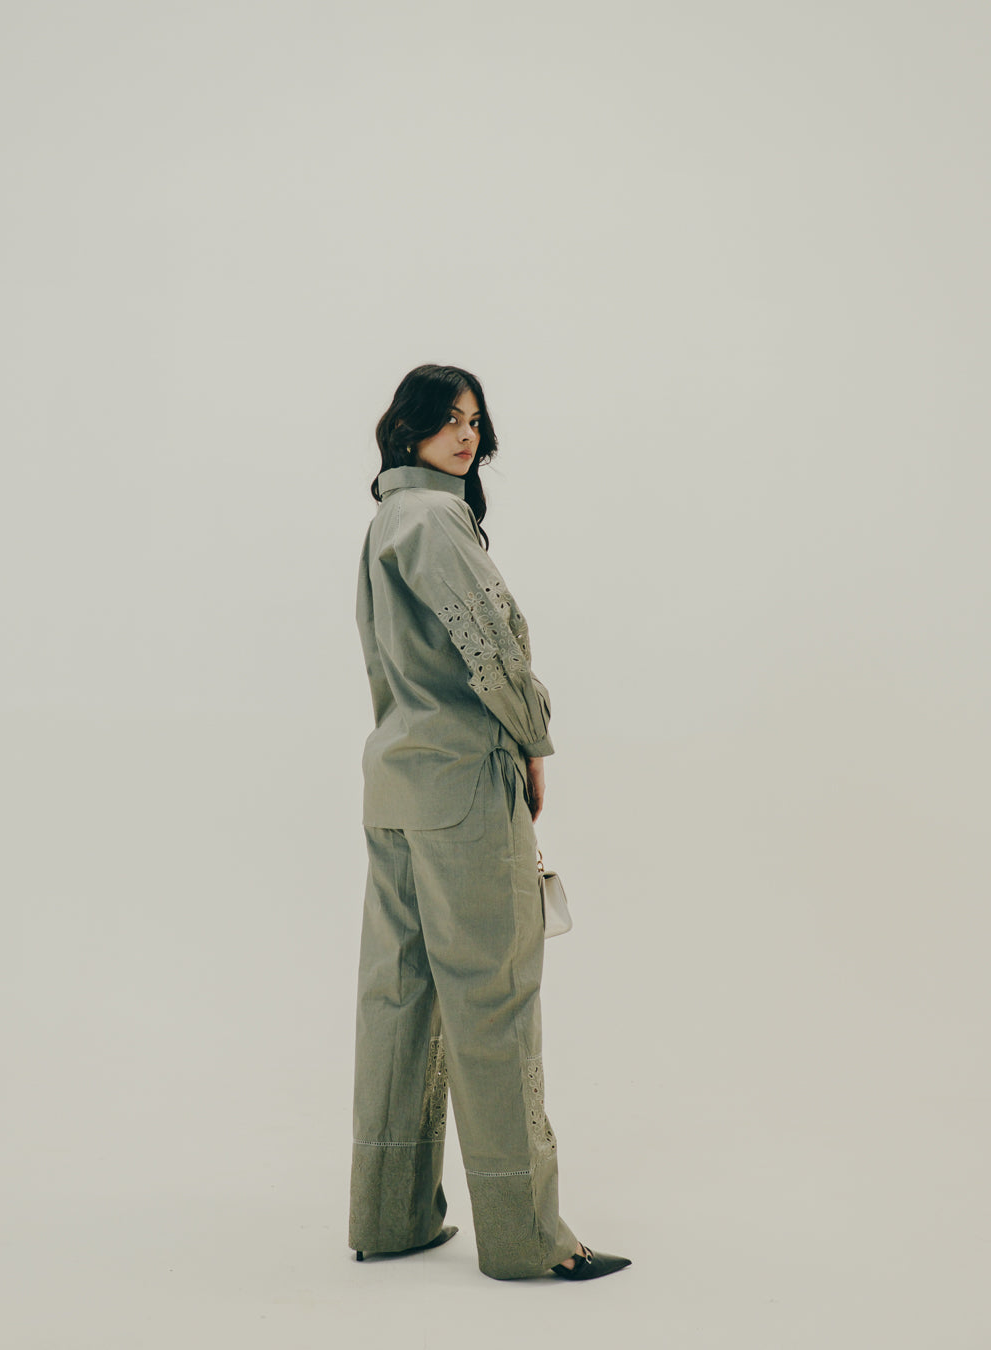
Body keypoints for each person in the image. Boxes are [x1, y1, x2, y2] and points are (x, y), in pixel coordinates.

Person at [348, 364, 630, 1282]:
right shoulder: (436, 521)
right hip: (464, 786)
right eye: (447, 419)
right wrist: (533, 738)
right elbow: (492, 648)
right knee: (494, 1000)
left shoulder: (388, 519)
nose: (466, 435)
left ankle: (389, 1217)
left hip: (396, 788)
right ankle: (527, 1239)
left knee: (400, 1000)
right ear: (409, 429)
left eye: (474, 420)